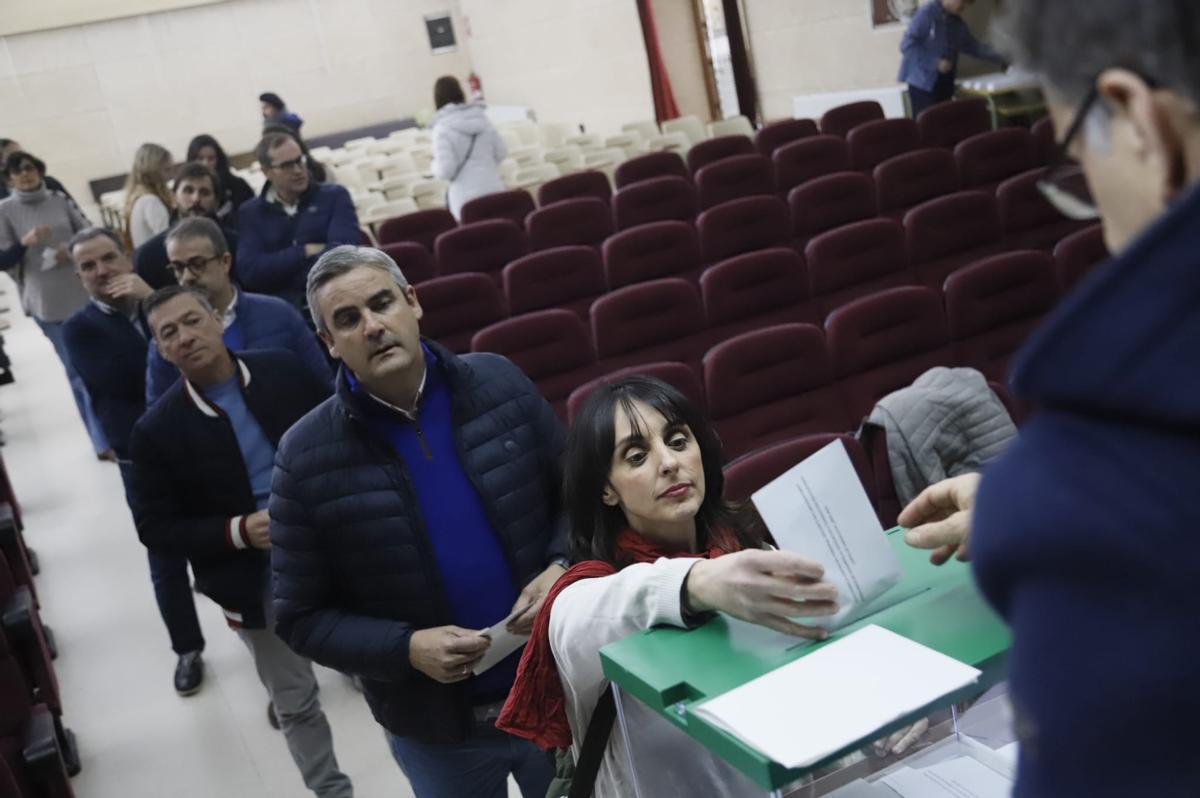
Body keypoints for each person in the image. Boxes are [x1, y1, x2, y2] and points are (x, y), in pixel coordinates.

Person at [900, 1, 1200, 794]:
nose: (1100, 222)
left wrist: (1050, 497)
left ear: (1142, 124)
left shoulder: (1089, 504)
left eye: (1076, 152)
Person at [270, 245, 567, 798]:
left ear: (413, 302)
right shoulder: (304, 457)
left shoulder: (499, 383)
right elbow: (299, 616)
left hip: (554, 689)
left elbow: (577, 494)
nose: (373, 326)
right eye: (348, 320)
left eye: (382, 303)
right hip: (437, 733)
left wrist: (561, 565)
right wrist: (404, 648)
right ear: (329, 344)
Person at [496, 375, 840, 797]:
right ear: (606, 489)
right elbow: (597, 612)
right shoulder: (584, 594)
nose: (669, 462)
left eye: (678, 441)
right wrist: (698, 581)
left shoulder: (747, 554)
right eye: (637, 456)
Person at [128, 285, 352, 798]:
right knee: (294, 699)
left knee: (387, 665)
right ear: (161, 350)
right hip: (252, 575)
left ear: (217, 319)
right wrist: (238, 531)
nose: (185, 337)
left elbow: (342, 434)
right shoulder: (155, 432)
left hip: (332, 539)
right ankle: (331, 792)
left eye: (192, 321)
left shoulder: (282, 369)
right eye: (169, 333)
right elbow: (155, 529)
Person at [62, 227, 207, 695]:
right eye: (88, 265)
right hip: (139, 456)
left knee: (227, 538)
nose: (102, 271)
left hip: (198, 437)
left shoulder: (162, 300)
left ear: (127, 257)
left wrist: (153, 305)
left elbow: (201, 352)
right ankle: (187, 648)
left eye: (109, 258)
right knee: (165, 555)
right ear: (79, 276)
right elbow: (124, 379)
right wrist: (158, 319)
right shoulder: (78, 328)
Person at [145, 217, 330, 404]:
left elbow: (322, 386)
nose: (187, 277)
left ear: (225, 262)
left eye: (198, 264)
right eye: (178, 268)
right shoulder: (168, 340)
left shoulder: (279, 314)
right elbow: (159, 416)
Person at [0, 151, 109, 458]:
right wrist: (24, 243)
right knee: (76, 371)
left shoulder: (58, 199)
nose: (25, 175)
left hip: (79, 291)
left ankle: (113, 428)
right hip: (46, 300)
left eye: (30, 168)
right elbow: (2, 258)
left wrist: (72, 249)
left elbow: (88, 231)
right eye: (18, 171)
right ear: (9, 178)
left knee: (99, 364)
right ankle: (101, 441)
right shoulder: (5, 210)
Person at [236, 133, 359, 311]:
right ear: (267, 172)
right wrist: (304, 251)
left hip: (336, 299)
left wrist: (279, 268)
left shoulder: (334, 196)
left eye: (300, 160)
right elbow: (250, 272)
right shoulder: (251, 213)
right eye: (287, 165)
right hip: (284, 311)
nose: (298, 170)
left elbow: (345, 253)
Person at [134, 162, 240, 290]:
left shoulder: (235, 245)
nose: (196, 198)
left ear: (216, 202)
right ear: (173, 198)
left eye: (204, 192)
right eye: (188, 191)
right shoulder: (149, 256)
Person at [898, 0, 1006, 118]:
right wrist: (935, 63)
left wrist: (1006, 55)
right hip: (923, 84)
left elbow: (975, 47)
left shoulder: (957, 23)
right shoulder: (927, 13)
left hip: (946, 82)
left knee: (945, 123)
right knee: (926, 124)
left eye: (968, 4)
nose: (964, 7)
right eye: (963, 2)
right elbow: (907, 45)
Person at [430, 75, 507, 220]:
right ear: (461, 93)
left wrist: (433, 165)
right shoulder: (482, 119)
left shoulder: (441, 129)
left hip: (465, 199)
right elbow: (501, 152)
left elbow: (446, 171)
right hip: (494, 189)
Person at [187, 134, 256, 222]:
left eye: (211, 158)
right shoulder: (187, 189)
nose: (205, 163)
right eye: (200, 158)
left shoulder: (237, 185)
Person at [123, 143, 175, 248]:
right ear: (152, 171)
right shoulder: (150, 201)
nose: (171, 175)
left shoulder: (138, 197)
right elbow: (169, 239)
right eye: (166, 170)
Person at [0, 138, 73, 202]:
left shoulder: (50, 183)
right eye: (13, 157)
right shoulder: (3, 200)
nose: (21, 158)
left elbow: (76, 212)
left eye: (22, 153)